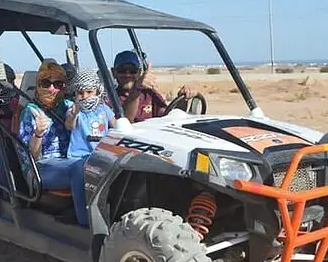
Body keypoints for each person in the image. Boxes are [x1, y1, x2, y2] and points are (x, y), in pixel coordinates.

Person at [17, 60, 85, 223]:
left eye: (58, 84)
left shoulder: (67, 105)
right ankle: (86, 224)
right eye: (46, 83)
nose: (51, 89)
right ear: (38, 85)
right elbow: (33, 155)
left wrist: (73, 117)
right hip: (39, 168)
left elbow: (70, 122)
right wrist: (38, 133)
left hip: (68, 160)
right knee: (79, 168)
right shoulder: (31, 112)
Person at [64, 67, 116, 227]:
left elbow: (115, 126)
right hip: (79, 157)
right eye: (80, 93)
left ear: (97, 92)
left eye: (89, 92)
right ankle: (84, 221)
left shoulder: (104, 109)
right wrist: (73, 114)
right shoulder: (75, 110)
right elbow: (69, 125)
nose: (85, 96)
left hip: (101, 155)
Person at [112, 50, 198, 122]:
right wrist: (136, 90)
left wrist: (184, 98)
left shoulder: (149, 94)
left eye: (132, 70)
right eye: (122, 70)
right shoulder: (110, 98)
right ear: (114, 72)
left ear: (138, 73)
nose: (127, 75)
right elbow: (125, 122)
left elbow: (169, 116)